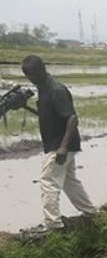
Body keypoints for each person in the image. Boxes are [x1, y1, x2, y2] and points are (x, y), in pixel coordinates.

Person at [20, 54, 98, 233]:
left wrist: (62, 147)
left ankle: (53, 224)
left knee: (48, 181)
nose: (30, 78)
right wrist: (25, 106)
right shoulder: (43, 87)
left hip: (61, 144)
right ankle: (90, 212)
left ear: (41, 69)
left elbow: (72, 118)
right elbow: (47, 115)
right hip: (60, 143)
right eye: (27, 75)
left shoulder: (56, 89)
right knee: (70, 181)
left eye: (31, 74)